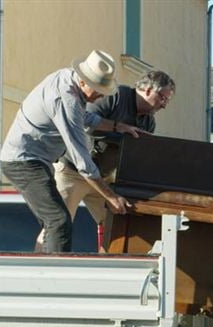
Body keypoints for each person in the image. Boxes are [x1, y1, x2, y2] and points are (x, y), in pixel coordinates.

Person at [0, 50, 141, 253]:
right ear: (84, 82)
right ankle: (55, 278)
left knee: (52, 223)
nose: (101, 95)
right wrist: (111, 196)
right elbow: (82, 161)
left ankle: (40, 271)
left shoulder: (67, 77)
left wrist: (118, 126)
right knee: (59, 220)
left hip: (36, 160)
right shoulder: (67, 99)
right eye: (99, 89)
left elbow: (86, 118)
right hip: (23, 162)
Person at [36, 70, 176, 250]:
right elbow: (84, 124)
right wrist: (120, 131)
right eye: (163, 98)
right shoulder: (116, 96)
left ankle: (107, 270)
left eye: (167, 101)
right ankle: (41, 270)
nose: (164, 105)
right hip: (74, 171)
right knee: (57, 224)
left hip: (102, 180)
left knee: (118, 224)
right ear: (148, 90)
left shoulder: (149, 123)